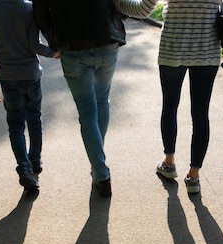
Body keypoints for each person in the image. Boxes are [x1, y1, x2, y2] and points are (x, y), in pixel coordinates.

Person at [32, 0, 158, 197]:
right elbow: (121, 5)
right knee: (102, 101)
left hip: (71, 44)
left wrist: (54, 40)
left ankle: (101, 172)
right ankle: (98, 160)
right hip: (107, 39)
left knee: (87, 112)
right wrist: (111, 19)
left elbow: (39, 11)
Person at [155, 0, 223, 194]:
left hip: (172, 50)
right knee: (201, 114)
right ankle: (194, 176)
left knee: (170, 107)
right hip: (207, 52)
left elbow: (143, 9)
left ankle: (169, 163)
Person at [0, 0, 58, 191]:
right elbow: (35, 45)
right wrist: (54, 53)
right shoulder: (30, 7)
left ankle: (24, 169)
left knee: (15, 124)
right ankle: (35, 160)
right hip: (31, 74)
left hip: (8, 77)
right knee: (34, 118)